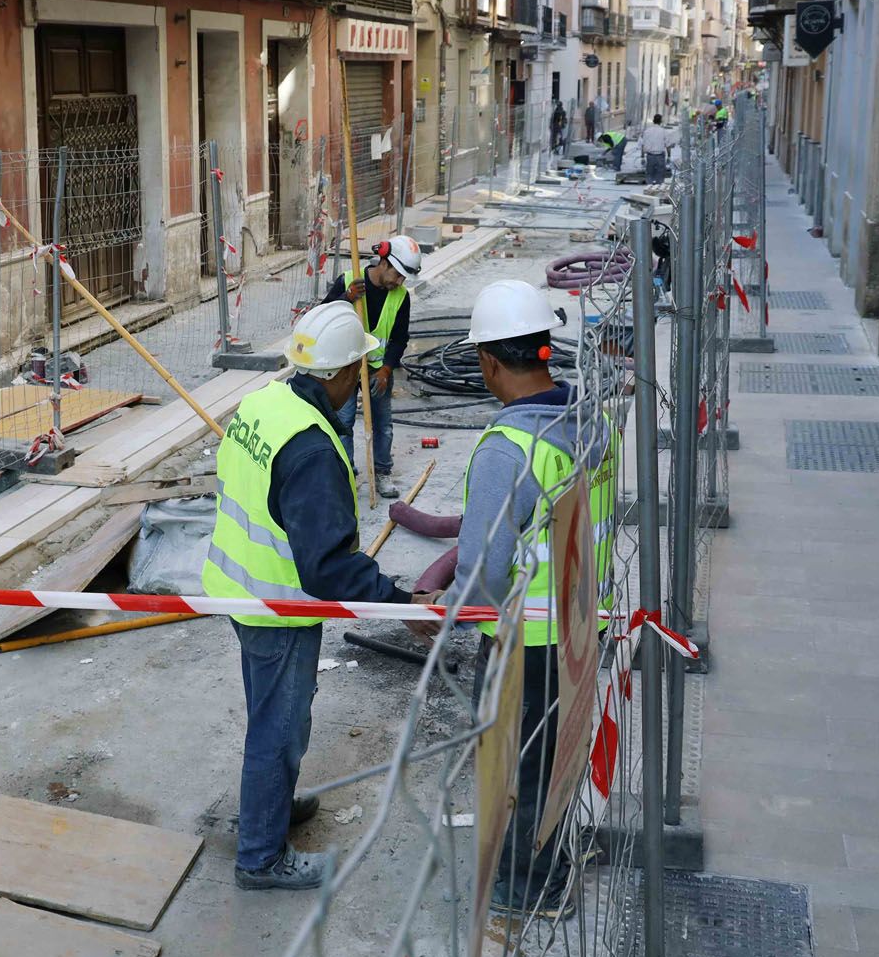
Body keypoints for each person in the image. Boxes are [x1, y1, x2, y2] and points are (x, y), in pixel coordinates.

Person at [203, 301, 414, 891]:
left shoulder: (264, 402)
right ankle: (261, 857)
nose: (364, 382)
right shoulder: (314, 449)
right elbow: (326, 569)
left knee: (270, 713)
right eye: (360, 371)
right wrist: (400, 602)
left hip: (238, 589)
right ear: (341, 374)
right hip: (278, 606)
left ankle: (271, 805)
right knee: (279, 725)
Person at [450, 279, 618, 919]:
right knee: (556, 758)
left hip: (525, 640)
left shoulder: (507, 449)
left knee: (514, 768)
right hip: (580, 623)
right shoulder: (591, 422)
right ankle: (549, 865)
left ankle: (527, 890)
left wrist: (461, 609)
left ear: (489, 361)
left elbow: (482, 569)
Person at [323, 235, 421, 499]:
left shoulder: (400, 297)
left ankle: (382, 472)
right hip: (346, 366)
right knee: (342, 422)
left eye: (403, 278)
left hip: (377, 369)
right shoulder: (349, 280)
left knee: (383, 423)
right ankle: (346, 473)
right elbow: (323, 315)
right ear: (385, 262)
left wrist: (387, 369)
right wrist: (346, 297)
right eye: (398, 275)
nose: (399, 282)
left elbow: (400, 338)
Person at [639, 113, 676, 184]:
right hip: (660, 156)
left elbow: (643, 145)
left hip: (650, 156)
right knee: (660, 174)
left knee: (649, 174)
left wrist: (642, 157)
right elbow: (668, 146)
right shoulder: (664, 132)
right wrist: (669, 156)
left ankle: (649, 188)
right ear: (661, 122)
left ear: (653, 121)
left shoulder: (647, 131)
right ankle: (658, 190)